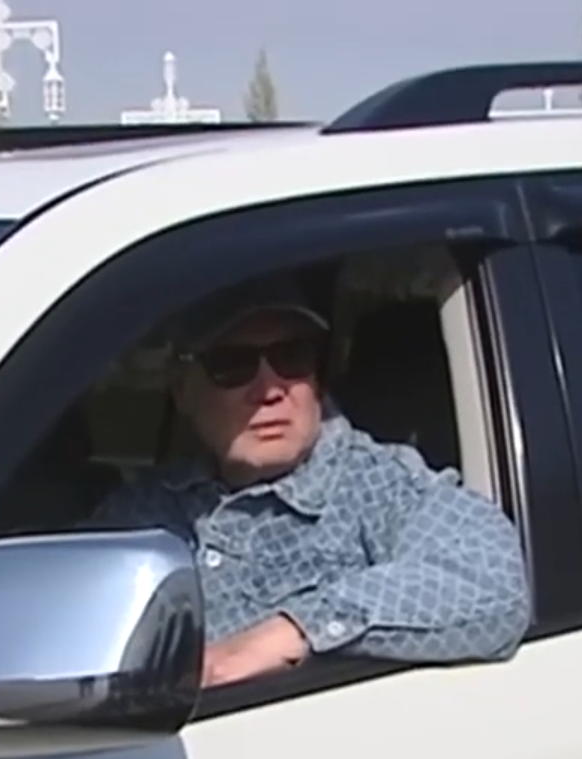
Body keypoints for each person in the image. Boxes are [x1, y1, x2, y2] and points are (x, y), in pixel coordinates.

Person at [87, 273, 531, 688]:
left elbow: (494, 584)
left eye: (291, 358)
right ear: (183, 389)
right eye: (231, 364)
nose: (269, 390)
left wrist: (290, 633)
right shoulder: (145, 511)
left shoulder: (374, 485)